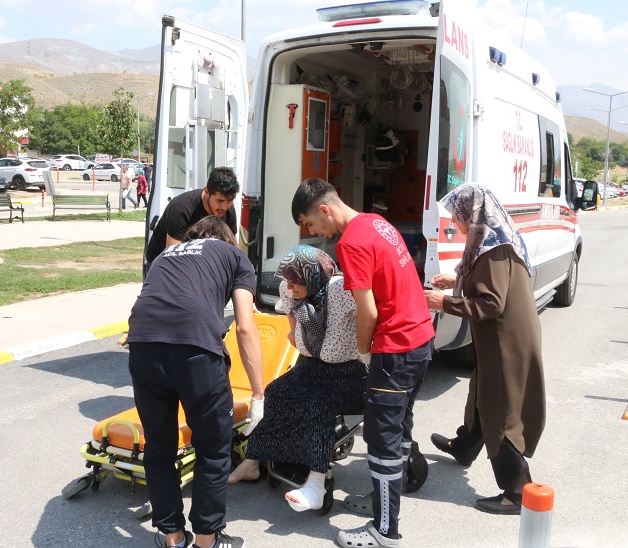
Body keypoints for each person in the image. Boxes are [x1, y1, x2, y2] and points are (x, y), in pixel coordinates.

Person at [291, 178, 435, 548]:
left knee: (382, 439)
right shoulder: (375, 222)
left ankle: (385, 530)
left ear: (324, 209)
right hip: (420, 340)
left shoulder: (351, 241)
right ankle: (386, 501)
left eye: (310, 223)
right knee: (401, 426)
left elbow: (367, 310)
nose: (312, 231)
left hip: (396, 347)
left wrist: (362, 351)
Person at [127, 215, 265, 548]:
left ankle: (173, 539)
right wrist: (259, 394)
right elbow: (246, 327)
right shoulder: (234, 256)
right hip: (195, 352)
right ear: (228, 239)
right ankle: (207, 540)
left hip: (142, 348)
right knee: (213, 450)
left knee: (159, 448)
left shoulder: (165, 256)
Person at [423, 183, 545, 516]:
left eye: (458, 218)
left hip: (506, 340)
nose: (456, 225)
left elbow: (491, 303)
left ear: (472, 215)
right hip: (502, 336)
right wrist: (454, 282)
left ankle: (517, 492)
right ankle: (464, 447)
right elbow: (487, 283)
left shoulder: (492, 249)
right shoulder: (491, 240)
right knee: (482, 392)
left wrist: (444, 302)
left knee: (500, 409)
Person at [228, 245, 367, 513]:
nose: (290, 289)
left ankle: (316, 482)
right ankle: (255, 461)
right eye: (288, 283)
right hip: (315, 367)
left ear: (312, 276)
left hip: (350, 372)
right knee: (277, 391)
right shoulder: (298, 298)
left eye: (295, 283)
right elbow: (296, 334)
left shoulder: (340, 292)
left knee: (318, 403)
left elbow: (375, 303)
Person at [145, 166, 239, 269]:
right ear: (207, 192)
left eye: (230, 200)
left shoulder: (228, 210)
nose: (224, 207)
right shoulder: (181, 208)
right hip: (162, 264)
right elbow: (172, 257)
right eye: (219, 201)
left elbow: (233, 247)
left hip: (201, 263)